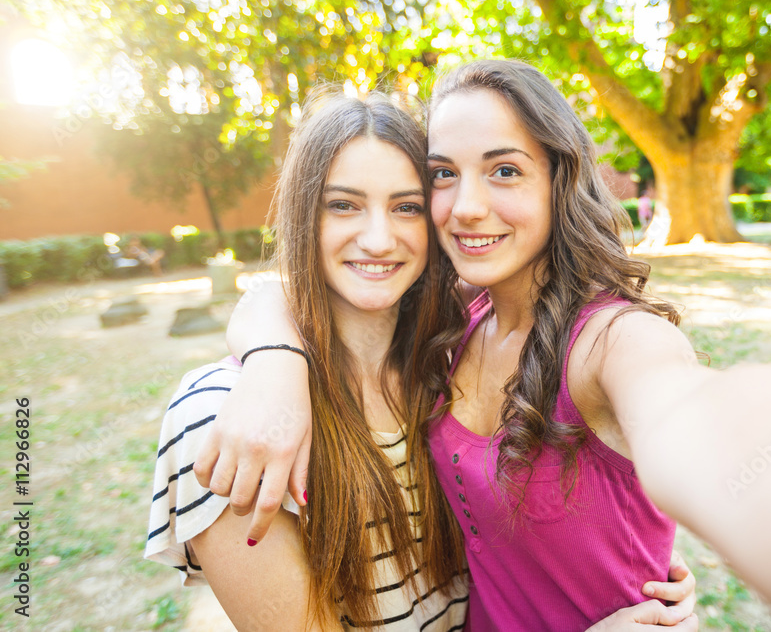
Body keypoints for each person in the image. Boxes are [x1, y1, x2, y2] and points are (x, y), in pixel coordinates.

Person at [199, 61, 771, 631]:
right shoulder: (455, 317)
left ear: (559, 178)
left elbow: (707, 421)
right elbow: (279, 290)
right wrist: (274, 363)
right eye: (443, 174)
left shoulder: (613, 341)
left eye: (505, 170)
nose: (467, 207)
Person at [146, 91, 696, 631]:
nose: (379, 240)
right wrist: (273, 361)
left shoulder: (438, 355)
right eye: (343, 205)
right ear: (301, 216)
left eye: (407, 206)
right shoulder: (231, 422)